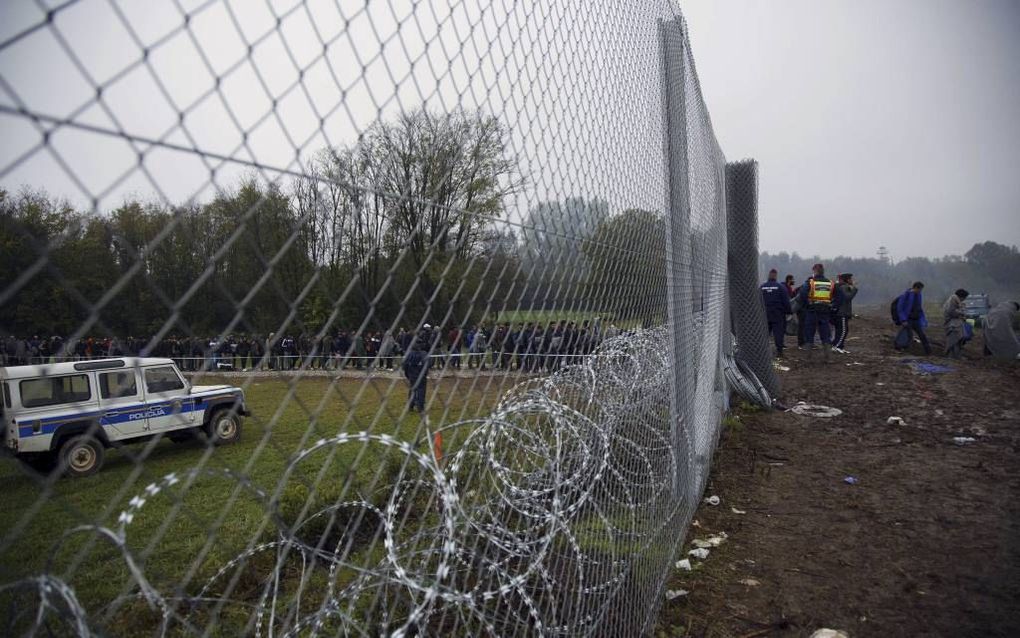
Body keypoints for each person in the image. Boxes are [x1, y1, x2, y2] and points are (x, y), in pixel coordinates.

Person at [797, 263, 841, 357]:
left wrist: (806, 305)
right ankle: (828, 357)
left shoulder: (810, 282)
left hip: (812, 311)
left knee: (809, 333)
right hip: (825, 311)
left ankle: (808, 357)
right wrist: (833, 306)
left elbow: (802, 294)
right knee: (825, 334)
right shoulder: (831, 283)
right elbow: (841, 297)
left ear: (814, 271)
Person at [760, 268, 792, 357]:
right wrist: (789, 312)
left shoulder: (762, 287)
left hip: (765, 314)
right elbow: (786, 301)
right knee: (778, 333)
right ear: (776, 276)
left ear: (769, 276)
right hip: (778, 314)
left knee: (764, 333)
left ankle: (763, 352)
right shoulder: (780, 287)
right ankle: (779, 352)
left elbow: (757, 300)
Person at [894, 281, 931, 355]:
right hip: (908, 319)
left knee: (922, 335)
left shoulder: (919, 295)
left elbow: (919, 307)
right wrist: (903, 320)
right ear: (915, 288)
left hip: (916, 319)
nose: (920, 291)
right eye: (919, 289)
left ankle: (928, 351)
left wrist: (923, 320)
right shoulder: (905, 295)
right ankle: (900, 348)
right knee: (908, 335)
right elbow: (900, 308)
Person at [402, 335, 430, 413]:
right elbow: (427, 365)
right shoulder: (423, 354)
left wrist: (408, 375)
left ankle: (411, 405)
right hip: (421, 376)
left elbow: (405, 366)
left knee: (412, 390)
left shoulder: (409, 354)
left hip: (412, 375)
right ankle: (420, 407)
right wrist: (425, 374)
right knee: (421, 391)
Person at [831, 273, 858, 354]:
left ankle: (839, 346)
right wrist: (854, 289)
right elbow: (848, 297)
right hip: (842, 313)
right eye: (850, 279)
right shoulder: (843, 287)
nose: (852, 280)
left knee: (841, 330)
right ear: (847, 279)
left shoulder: (843, 287)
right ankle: (837, 346)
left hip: (843, 312)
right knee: (843, 331)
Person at [942, 289, 970, 358]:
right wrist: (962, 313)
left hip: (955, 324)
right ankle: (952, 357)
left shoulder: (954, 300)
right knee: (953, 341)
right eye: (964, 298)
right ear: (961, 297)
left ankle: (956, 356)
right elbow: (951, 312)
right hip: (953, 325)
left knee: (957, 341)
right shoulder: (953, 300)